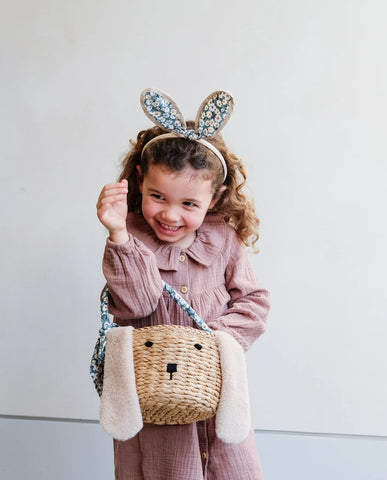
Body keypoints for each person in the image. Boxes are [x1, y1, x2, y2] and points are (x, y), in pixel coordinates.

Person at [96, 89, 270, 480]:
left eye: (189, 204)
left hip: (215, 394)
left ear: (215, 197)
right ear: (139, 181)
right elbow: (138, 304)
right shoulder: (129, 238)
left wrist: (214, 344)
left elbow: (254, 301)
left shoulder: (222, 238)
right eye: (158, 196)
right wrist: (119, 234)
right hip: (155, 397)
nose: (170, 215)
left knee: (231, 467)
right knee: (166, 470)